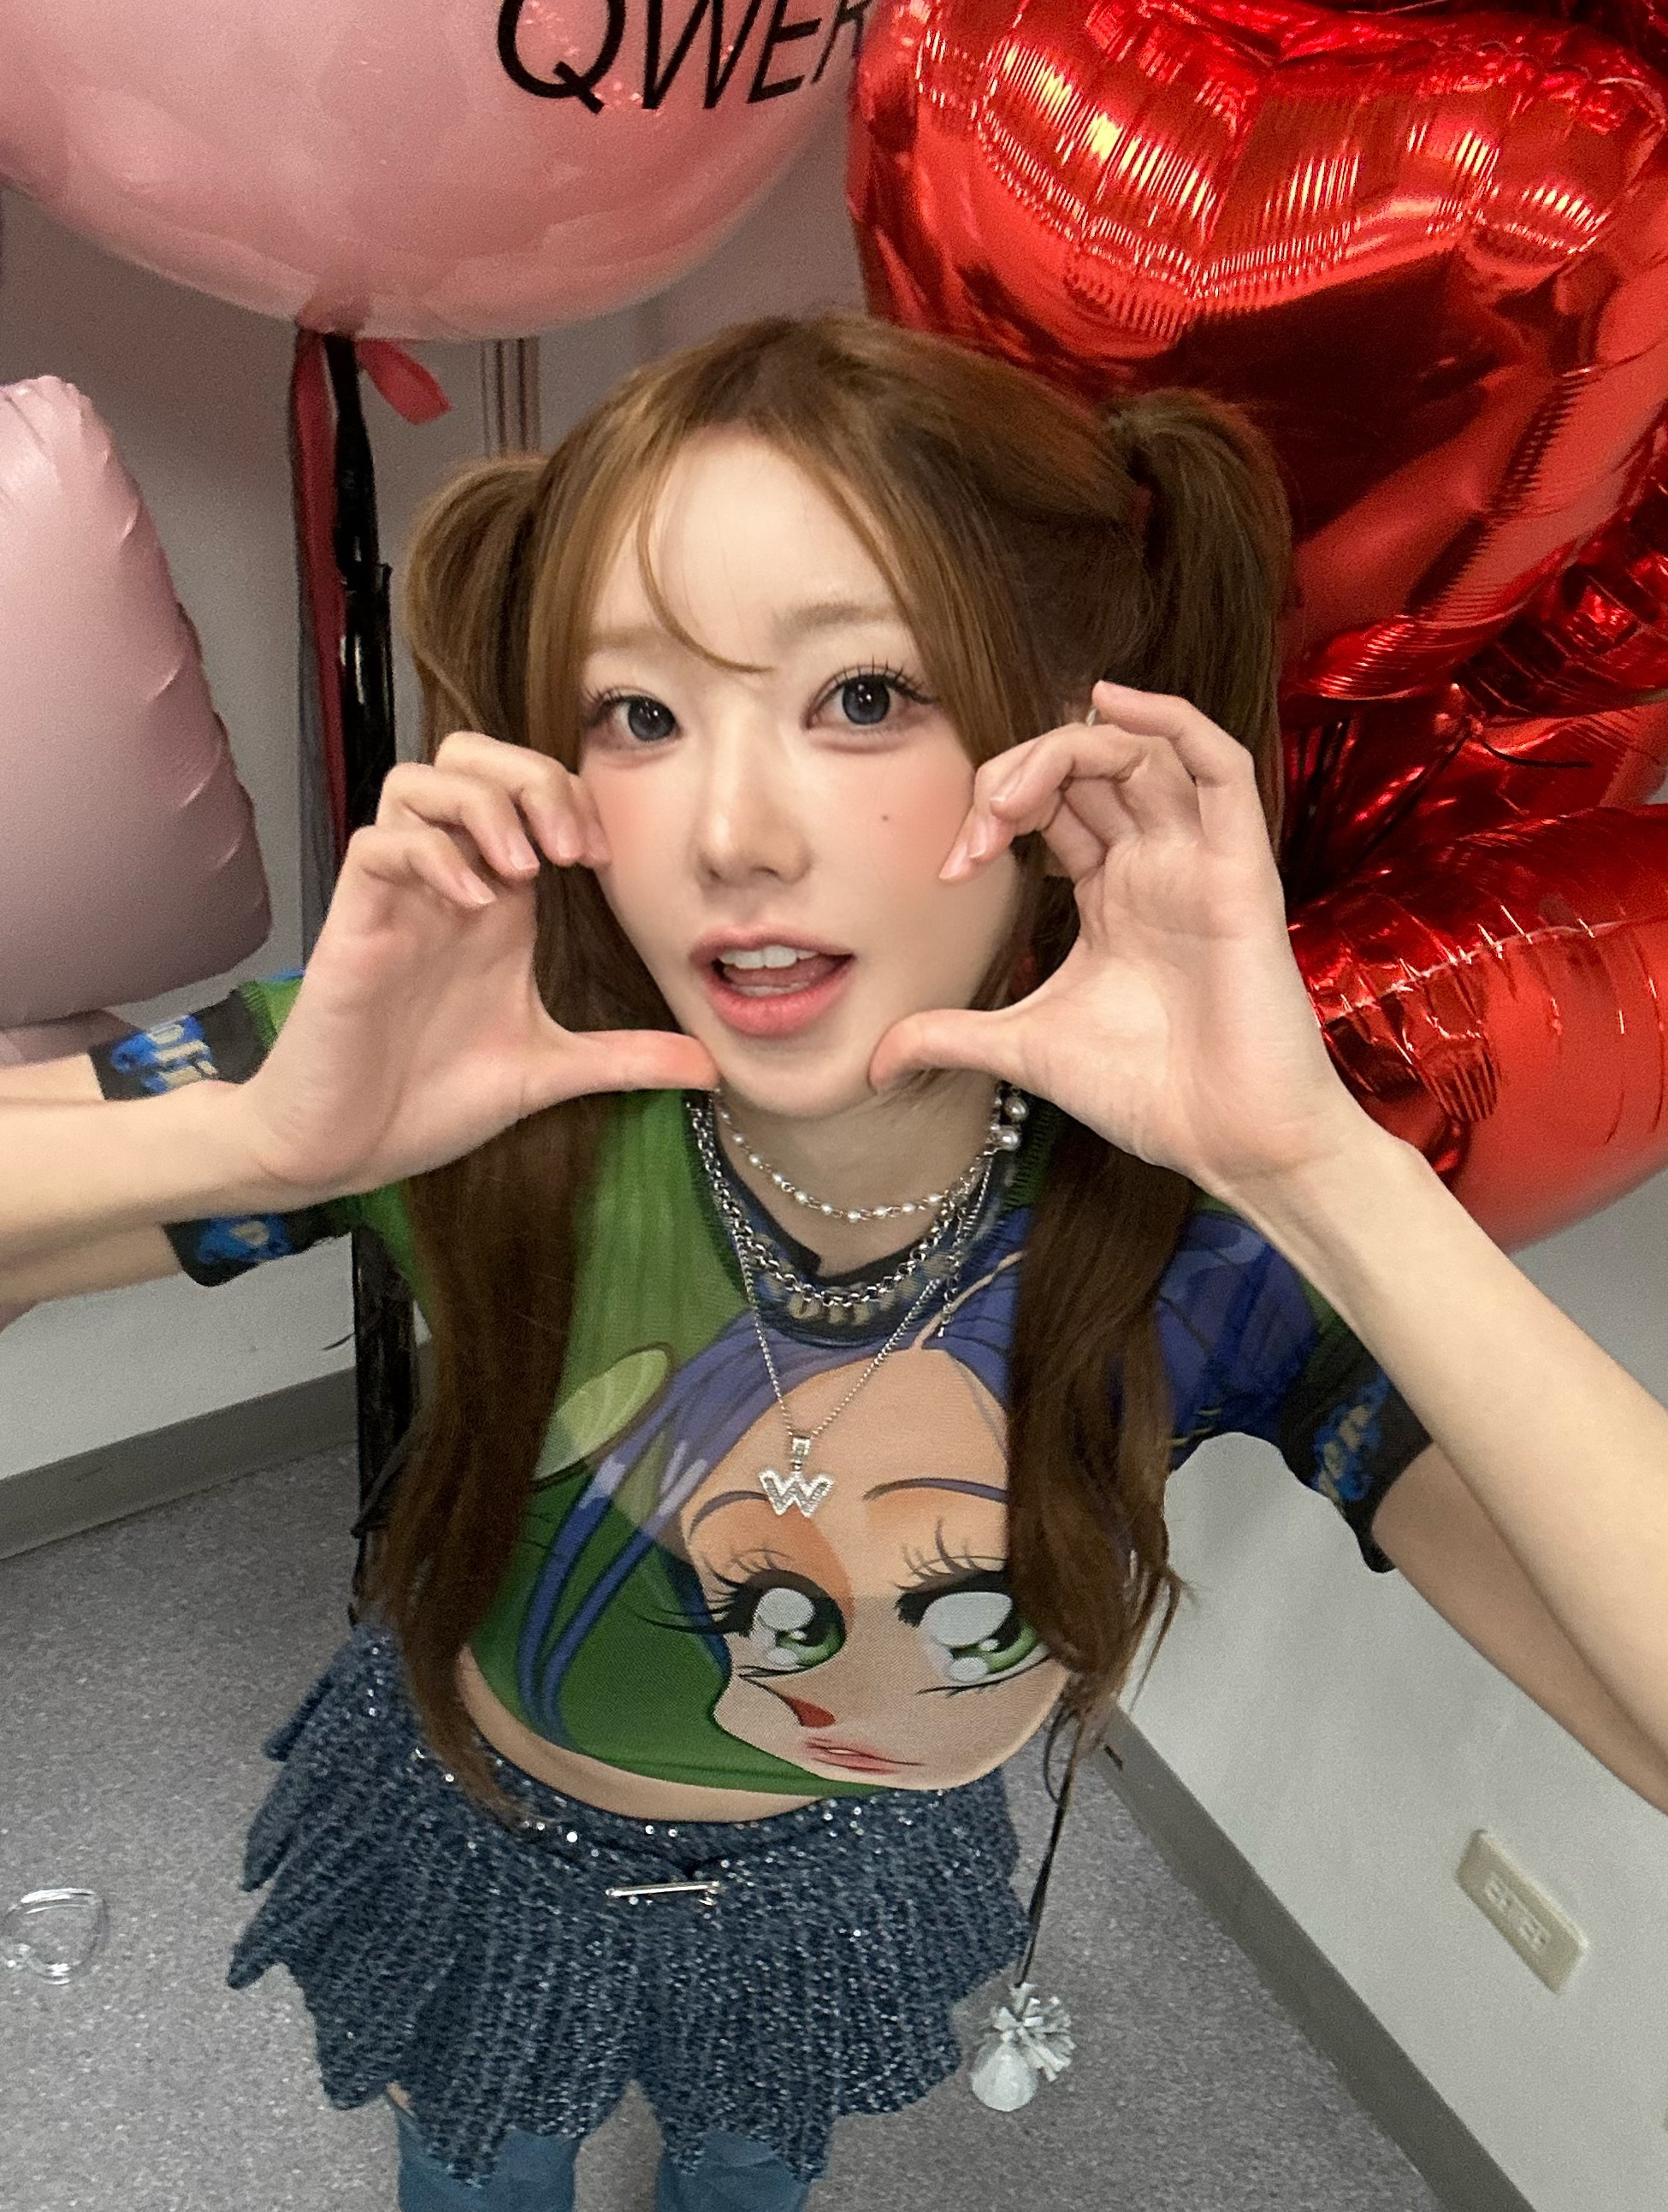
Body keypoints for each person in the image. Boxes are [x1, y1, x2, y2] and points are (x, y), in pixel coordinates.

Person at [3, 313, 1665, 2212]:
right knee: (476, 2175)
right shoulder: (469, 1070)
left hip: (843, 1879)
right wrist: (257, 1144)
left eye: (863, 695)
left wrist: (1317, 1167)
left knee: (747, 2176)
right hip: (485, 1831)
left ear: (1069, 749)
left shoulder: (1194, 1245)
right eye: (638, 715)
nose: (730, 834)